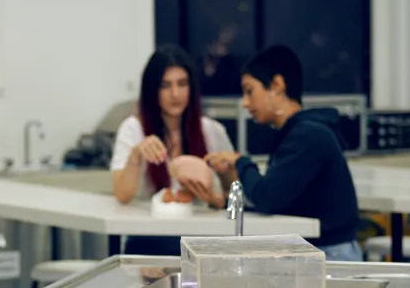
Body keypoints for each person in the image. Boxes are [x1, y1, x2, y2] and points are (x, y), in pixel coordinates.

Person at [204, 45, 361, 261]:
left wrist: (241, 162)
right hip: (320, 250)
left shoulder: (307, 135)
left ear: (277, 85)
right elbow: (282, 201)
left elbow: (267, 197)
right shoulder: (298, 133)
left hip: (331, 254)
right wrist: (226, 202)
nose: (245, 103)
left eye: (250, 91)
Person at [109, 45, 236, 255]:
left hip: (202, 242)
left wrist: (214, 199)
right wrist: (136, 154)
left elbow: (234, 199)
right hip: (148, 240)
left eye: (182, 84)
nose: (175, 94)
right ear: (152, 90)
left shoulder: (211, 131)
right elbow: (123, 195)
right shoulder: (133, 129)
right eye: (165, 85)